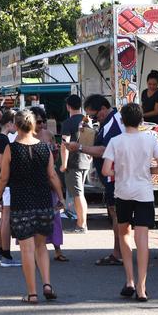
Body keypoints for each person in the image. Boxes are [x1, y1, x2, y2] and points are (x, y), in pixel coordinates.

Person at [0, 110, 65, 303]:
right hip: (43, 202)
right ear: (34, 126)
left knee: (27, 249)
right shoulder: (45, 148)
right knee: (41, 246)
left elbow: (3, 176)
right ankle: (47, 284)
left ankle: (32, 293)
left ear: (16, 126)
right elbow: (52, 176)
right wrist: (60, 197)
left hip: (21, 203)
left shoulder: (12, 148)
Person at [102, 103, 158, 302]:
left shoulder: (115, 141)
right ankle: (142, 286)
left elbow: (106, 170)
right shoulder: (150, 139)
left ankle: (129, 279)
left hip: (123, 192)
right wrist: (149, 172)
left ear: (122, 120)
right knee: (143, 239)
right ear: (141, 120)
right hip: (144, 193)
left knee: (124, 233)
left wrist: (119, 172)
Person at [68, 94, 125, 266]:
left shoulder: (114, 122)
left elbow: (104, 150)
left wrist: (79, 147)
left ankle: (119, 253)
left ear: (103, 109)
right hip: (115, 177)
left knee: (118, 215)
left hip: (116, 177)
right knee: (118, 215)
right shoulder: (109, 121)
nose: (92, 118)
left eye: (93, 115)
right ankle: (120, 252)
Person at [30, 106, 66, 262]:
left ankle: (57, 249)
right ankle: (34, 250)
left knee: (54, 215)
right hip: (32, 182)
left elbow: (55, 157)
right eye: (37, 121)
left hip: (49, 179)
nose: (40, 125)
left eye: (42, 121)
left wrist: (55, 152)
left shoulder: (48, 134)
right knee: (33, 217)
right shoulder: (25, 137)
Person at [0, 109, 21, 267]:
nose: (17, 126)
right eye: (15, 123)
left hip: (2, 182)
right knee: (6, 219)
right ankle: (6, 256)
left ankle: (2, 254)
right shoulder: (3, 140)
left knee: (4, 218)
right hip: (6, 182)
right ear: (9, 123)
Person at [60, 95, 92, 233]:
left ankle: (81, 224)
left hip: (73, 163)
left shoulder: (67, 123)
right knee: (80, 193)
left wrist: (64, 163)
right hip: (86, 160)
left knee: (78, 194)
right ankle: (82, 223)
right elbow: (91, 141)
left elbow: (64, 145)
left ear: (68, 106)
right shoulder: (87, 121)